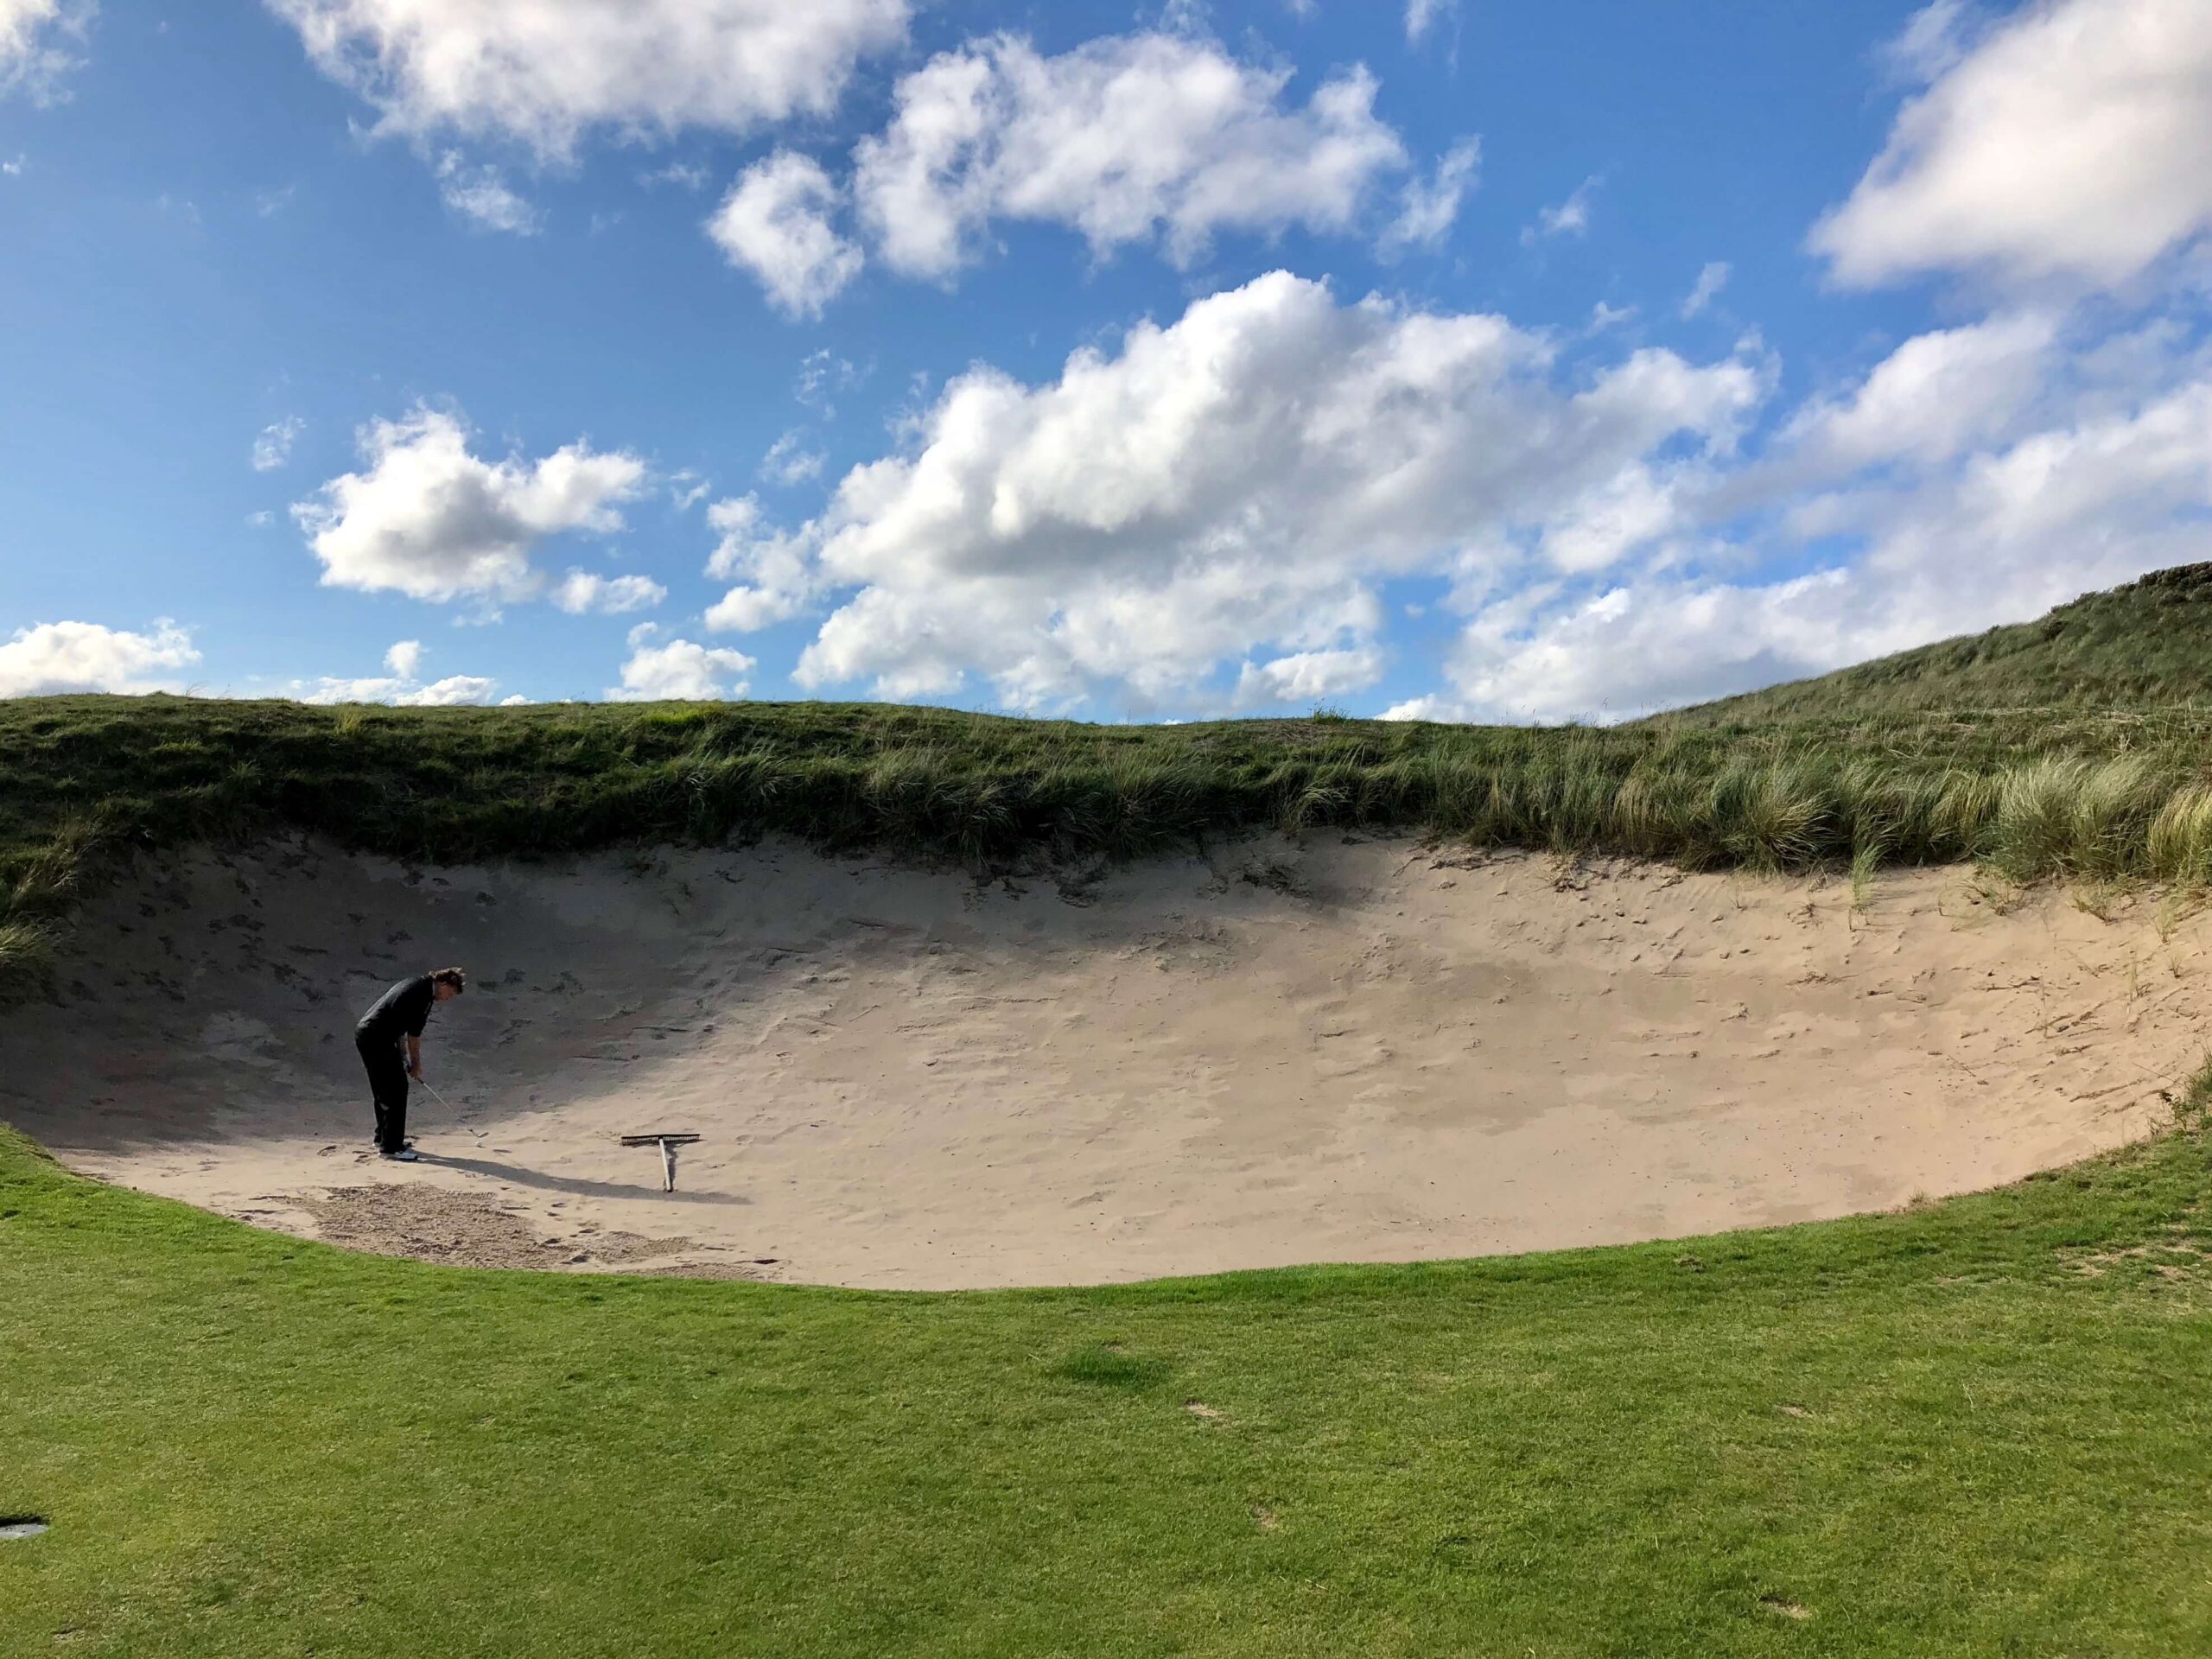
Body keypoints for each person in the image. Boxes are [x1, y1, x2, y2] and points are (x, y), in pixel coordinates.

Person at [354, 968, 466, 1161]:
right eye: (450, 994)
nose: (448, 999)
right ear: (443, 984)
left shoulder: (418, 984)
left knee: (383, 1088)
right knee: (396, 1089)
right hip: (376, 1038)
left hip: (369, 1035)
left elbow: (399, 1025)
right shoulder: (423, 995)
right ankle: (391, 1147)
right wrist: (416, 1065)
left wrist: (402, 1054)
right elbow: (414, 1036)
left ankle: (383, 1138)